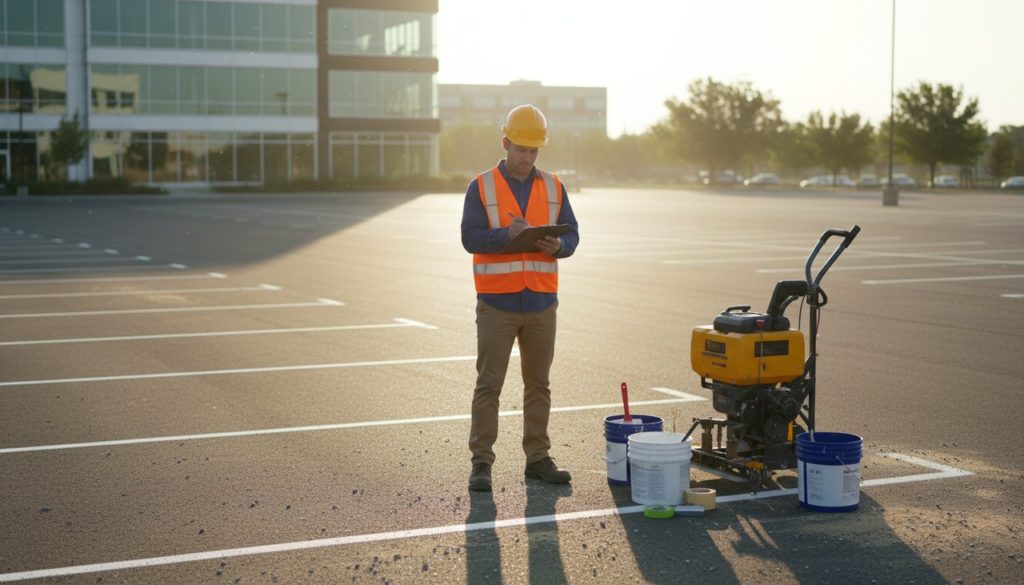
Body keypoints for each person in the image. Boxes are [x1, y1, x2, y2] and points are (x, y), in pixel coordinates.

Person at [460, 104, 580, 492]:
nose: (528, 157)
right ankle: (481, 462)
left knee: (538, 385)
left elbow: (573, 235)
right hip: (497, 304)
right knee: (489, 385)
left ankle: (538, 458)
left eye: (534, 150)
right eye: (521, 149)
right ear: (505, 143)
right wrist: (505, 236)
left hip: (542, 303)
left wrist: (559, 245)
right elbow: (469, 238)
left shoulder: (554, 186)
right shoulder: (481, 186)